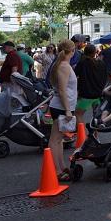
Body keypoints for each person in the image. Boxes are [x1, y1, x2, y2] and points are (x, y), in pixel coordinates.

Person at [48, 39, 77, 181]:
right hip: (60, 107)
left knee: (59, 140)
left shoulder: (64, 65)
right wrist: (67, 110)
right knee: (55, 140)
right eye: (73, 49)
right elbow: (62, 90)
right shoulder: (64, 66)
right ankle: (56, 170)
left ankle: (61, 166)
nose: (75, 51)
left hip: (62, 106)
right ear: (70, 51)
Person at [73, 44, 108, 124]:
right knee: (96, 116)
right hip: (98, 95)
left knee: (78, 114)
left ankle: (83, 134)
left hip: (86, 95)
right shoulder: (101, 63)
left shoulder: (83, 63)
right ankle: (94, 133)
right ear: (95, 52)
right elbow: (105, 78)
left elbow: (74, 75)